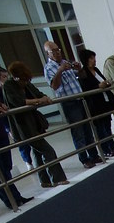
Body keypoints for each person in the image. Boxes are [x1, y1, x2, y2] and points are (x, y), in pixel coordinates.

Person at [4, 61, 69, 189]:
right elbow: (18, 102)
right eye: (22, 79)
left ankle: (44, 180)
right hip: (23, 126)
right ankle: (58, 178)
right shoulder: (9, 85)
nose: (25, 82)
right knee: (47, 150)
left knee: (37, 152)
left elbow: (38, 93)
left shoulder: (26, 83)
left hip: (34, 122)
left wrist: (44, 97)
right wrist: (38, 100)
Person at [43, 40, 102, 168]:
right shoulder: (48, 68)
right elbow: (54, 86)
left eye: (58, 50)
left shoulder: (66, 62)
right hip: (69, 103)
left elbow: (82, 76)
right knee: (78, 132)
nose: (58, 53)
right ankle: (84, 159)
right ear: (48, 54)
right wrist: (60, 70)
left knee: (88, 129)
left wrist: (79, 69)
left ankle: (94, 155)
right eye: (54, 51)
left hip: (81, 99)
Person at [0, 67, 32, 211]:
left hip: (1, 134)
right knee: (1, 172)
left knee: (6, 168)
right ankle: (12, 199)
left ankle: (16, 197)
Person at [78, 49, 114, 159]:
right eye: (91, 58)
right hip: (95, 105)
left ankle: (112, 147)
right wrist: (98, 86)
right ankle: (106, 150)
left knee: (107, 127)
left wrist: (106, 83)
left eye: (94, 58)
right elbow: (86, 89)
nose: (94, 60)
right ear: (86, 60)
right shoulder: (83, 73)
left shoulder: (96, 70)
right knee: (100, 129)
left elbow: (103, 80)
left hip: (105, 102)